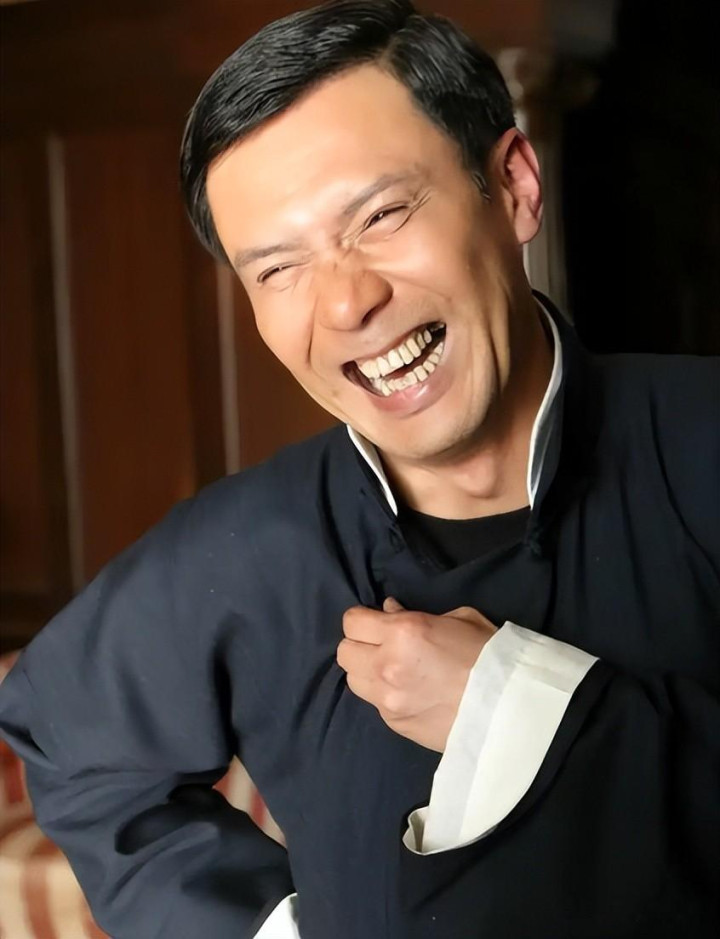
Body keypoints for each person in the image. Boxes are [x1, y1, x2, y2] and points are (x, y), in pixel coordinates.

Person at [1, 1, 718, 937]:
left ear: (513, 186)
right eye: (278, 268)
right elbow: (64, 737)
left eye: (381, 215)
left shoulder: (701, 442)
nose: (345, 304)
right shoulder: (245, 546)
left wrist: (522, 708)